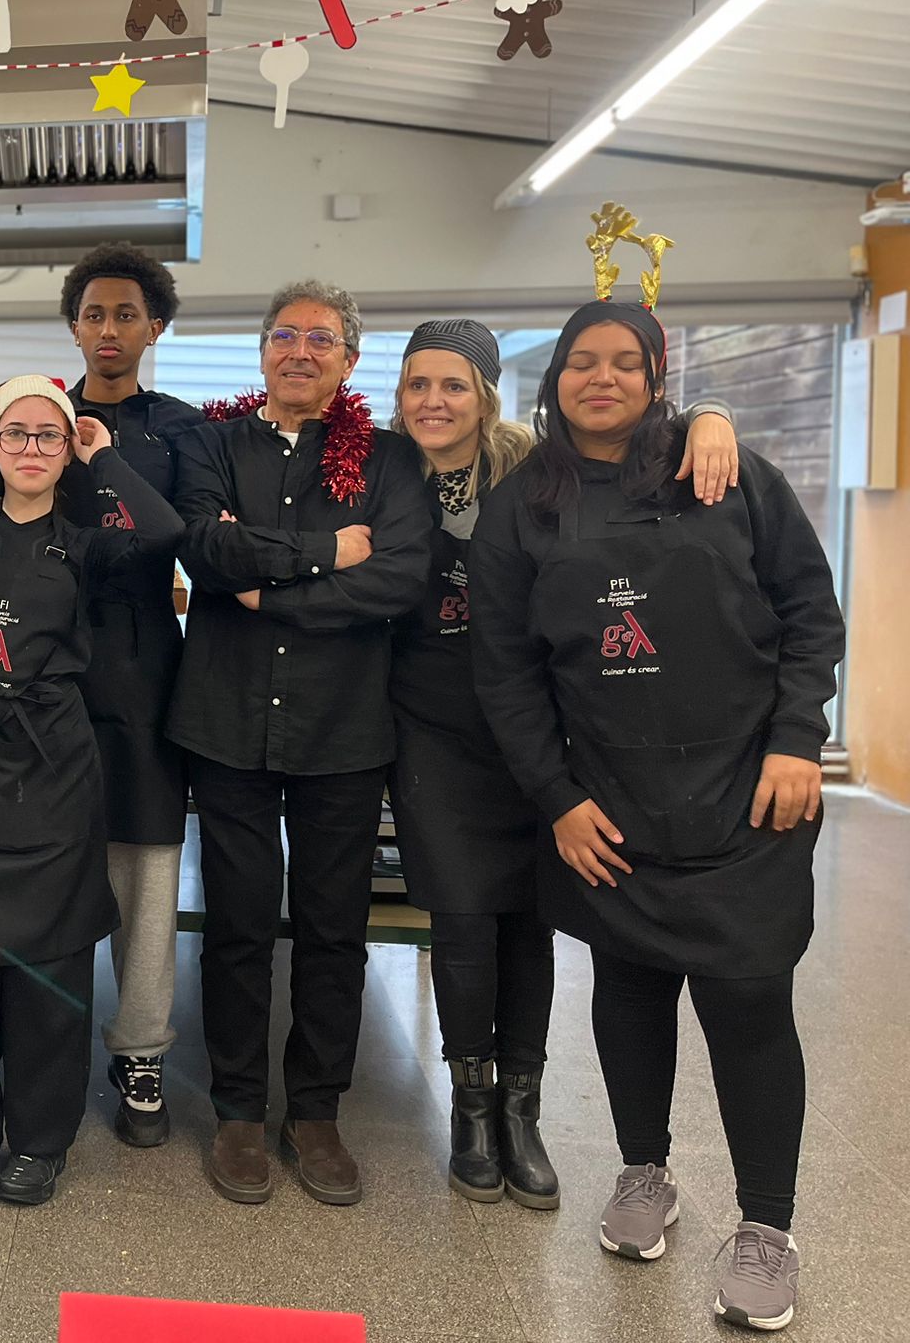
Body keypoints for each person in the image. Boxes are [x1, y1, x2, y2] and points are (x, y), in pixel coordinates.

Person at [470, 298, 842, 1332]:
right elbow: (504, 672)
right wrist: (557, 798)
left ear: (655, 377)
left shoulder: (725, 473)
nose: (601, 379)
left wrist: (796, 739)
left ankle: (765, 1227)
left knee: (747, 1001)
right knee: (629, 991)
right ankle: (644, 1173)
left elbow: (810, 615)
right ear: (555, 379)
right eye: (580, 362)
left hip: (748, 789)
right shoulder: (523, 506)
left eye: (623, 363)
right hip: (608, 798)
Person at [387, 320, 741, 1209]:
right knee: (462, 918)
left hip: (539, 730)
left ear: (486, 396)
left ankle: (522, 1111)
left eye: (454, 385)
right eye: (417, 384)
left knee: (529, 919)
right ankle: (472, 1109)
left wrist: (710, 412)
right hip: (430, 731)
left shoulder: (533, 471)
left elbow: (636, 440)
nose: (434, 401)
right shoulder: (382, 474)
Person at [0, 376, 182, 1210]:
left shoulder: (84, 543)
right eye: (15, 433)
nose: (32, 450)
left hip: (54, 766)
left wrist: (102, 456)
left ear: (67, 446)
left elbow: (164, 531)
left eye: (50, 435)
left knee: (53, 958)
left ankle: (42, 1140)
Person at [168, 279, 433, 1208]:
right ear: (263, 351)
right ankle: (239, 1110)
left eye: (322, 339)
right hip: (227, 722)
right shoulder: (211, 443)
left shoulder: (390, 461)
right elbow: (204, 550)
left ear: (349, 361)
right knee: (237, 926)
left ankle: (315, 1111)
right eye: (285, 335)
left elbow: (398, 579)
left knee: (333, 931)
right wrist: (325, 554)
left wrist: (264, 587)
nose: (300, 351)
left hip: (344, 729)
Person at [59, 241, 201, 1149]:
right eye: (93, 314)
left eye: (126, 315)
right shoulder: (33, 415)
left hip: (148, 669)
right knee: (55, 860)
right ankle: (46, 1037)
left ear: (156, 328)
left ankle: (141, 1050)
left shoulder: (185, 430)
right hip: (49, 667)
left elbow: (183, 538)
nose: (108, 329)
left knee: (147, 871)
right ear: (73, 327)